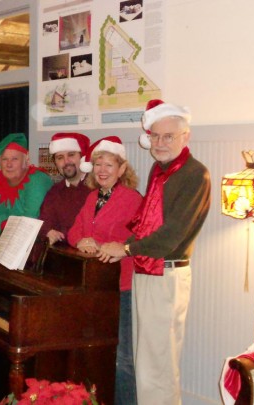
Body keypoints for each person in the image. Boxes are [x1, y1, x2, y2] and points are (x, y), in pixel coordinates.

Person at [99, 99, 211, 405]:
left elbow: (172, 236)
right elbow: (145, 223)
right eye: (156, 136)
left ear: (185, 137)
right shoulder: (159, 170)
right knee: (145, 363)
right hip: (145, 270)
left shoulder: (194, 174)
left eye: (168, 136)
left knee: (159, 366)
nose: (160, 143)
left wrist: (125, 248)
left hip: (167, 272)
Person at [67, 136, 142, 405]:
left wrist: (113, 245)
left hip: (121, 287)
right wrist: (81, 240)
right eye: (98, 164)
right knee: (95, 353)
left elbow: (138, 239)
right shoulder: (91, 198)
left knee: (123, 357)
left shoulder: (132, 199)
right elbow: (74, 230)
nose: (102, 170)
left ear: (122, 169)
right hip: (93, 288)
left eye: (109, 165)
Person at [0, 133, 53, 233]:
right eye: (4, 159)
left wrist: (4, 220)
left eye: (14, 159)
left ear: (26, 161)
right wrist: (14, 223)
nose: (9, 164)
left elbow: (29, 222)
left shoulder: (36, 180)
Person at [39, 132, 92, 245]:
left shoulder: (98, 187)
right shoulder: (54, 192)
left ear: (82, 158)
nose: (66, 161)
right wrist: (48, 231)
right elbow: (44, 220)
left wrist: (63, 233)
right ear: (56, 163)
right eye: (60, 157)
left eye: (71, 155)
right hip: (65, 254)